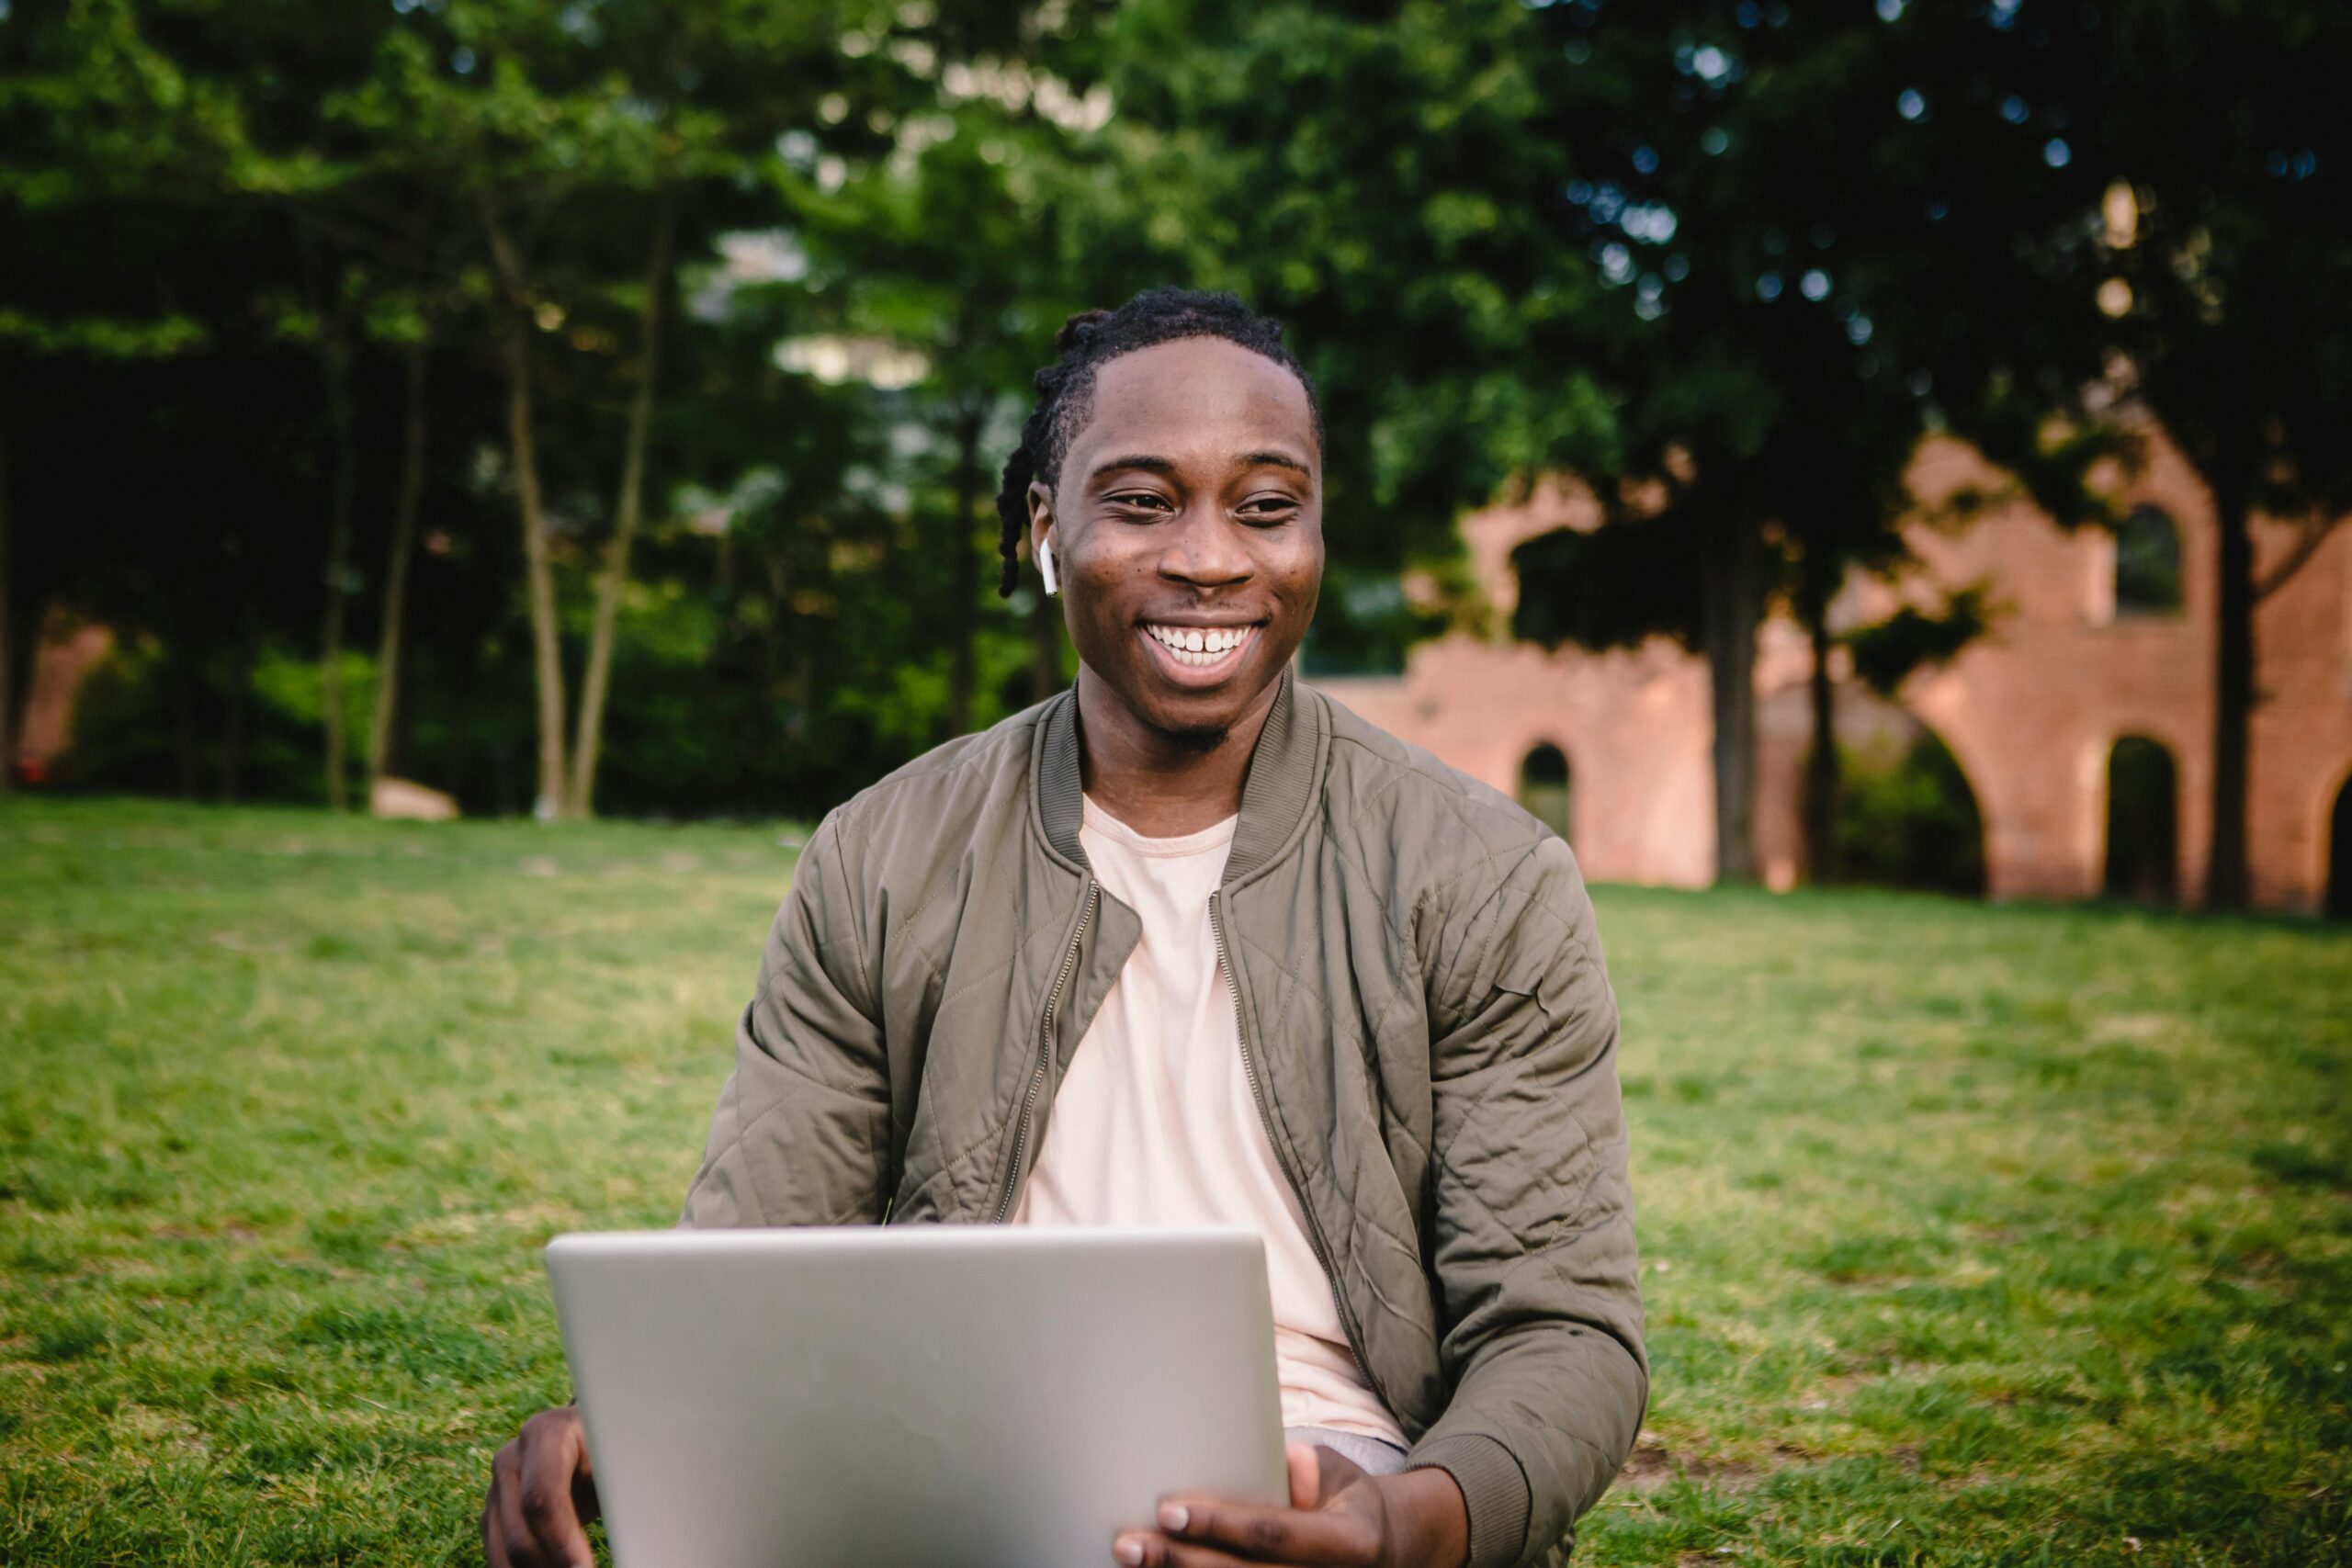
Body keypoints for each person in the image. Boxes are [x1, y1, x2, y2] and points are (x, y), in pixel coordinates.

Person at [482, 288, 1645, 1568]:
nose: (1211, 557)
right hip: (956, 1478)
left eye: (1267, 507)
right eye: (1144, 502)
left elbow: (1563, 1335)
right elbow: (752, 1264)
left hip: (1336, 1480)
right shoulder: (881, 856)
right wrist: (634, 1425)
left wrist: (1406, 1526)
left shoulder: (1485, 877)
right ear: (1046, 525)